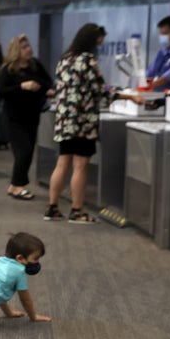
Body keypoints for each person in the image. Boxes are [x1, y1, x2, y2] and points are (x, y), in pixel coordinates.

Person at [44, 23, 143, 224]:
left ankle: (52, 208)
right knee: (80, 165)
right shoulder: (88, 61)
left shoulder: (64, 59)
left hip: (65, 120)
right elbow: (100, 90)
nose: (99, 46)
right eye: (99, 42)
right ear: (91, 40)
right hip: (82, 121)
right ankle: (77, 211)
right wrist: (129, 96)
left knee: (62, 163)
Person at [0, 35, 53, 200]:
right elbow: (2, 91)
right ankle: (18, 185)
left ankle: (14, 185)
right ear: (16, 50)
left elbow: (47, 82)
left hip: (32, 114)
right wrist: (22, 86)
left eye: (28, 46)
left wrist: (41, 88)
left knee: (28, 152)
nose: (29, 49)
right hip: (14, 117)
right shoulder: (8, 70)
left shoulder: (35, 66)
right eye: (24, 47)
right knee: (23, 150)